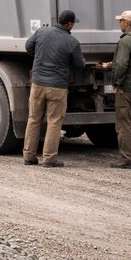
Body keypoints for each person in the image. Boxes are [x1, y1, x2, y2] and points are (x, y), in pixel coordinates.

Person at [23, 10, 85, 168]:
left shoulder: (41, 32)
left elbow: (28, 47)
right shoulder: (72, 42)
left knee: (33, 119)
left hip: (37, 84)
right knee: (54, 122)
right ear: (69, 24)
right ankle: (49, 158)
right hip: (57, 87)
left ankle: (29, 156)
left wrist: (39, 57)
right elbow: (79, 65)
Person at [98, 10, 131, 169]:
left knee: (124, 124)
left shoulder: (125, 41)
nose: (119, 23)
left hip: (127, 89)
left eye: (121, 21)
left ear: (127, 23)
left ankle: (127, 159)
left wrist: (116, 83)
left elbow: (122, 65)